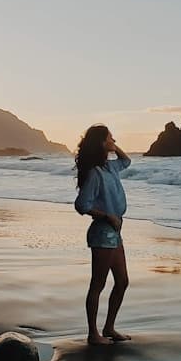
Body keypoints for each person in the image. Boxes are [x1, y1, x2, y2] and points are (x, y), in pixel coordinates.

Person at [74, 124, 133, 345]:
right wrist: (108, 216)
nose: (114, 139)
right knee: (97, 284)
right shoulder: (95, 173)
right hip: (102, 233)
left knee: (122, 281)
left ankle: (109, 328)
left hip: (115, 232)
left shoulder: (109, 167)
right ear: (101, 142)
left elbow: (127, 162)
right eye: (110, 137)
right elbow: (81, 205)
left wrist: (113, 147)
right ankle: (93, 334)